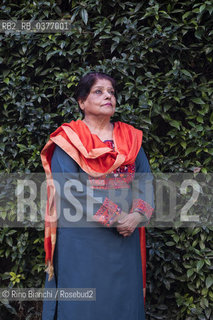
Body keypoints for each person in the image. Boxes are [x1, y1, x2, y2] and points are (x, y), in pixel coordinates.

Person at [41, 72, 154, 320]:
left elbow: (145, 180)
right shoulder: (68, 140)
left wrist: (136, 215)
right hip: (82, 241)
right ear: (82, 102)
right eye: (98, 91)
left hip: (125, 238)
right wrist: (116, 217)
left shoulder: (131, 140)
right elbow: (69, 189)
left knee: (123, 300)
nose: (108, 96)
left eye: (111, 92)